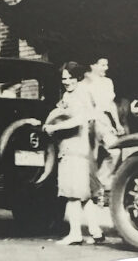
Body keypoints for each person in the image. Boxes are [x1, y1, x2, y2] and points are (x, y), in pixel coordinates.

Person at [43, 62, 108, 246]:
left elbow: (80, 119)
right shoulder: (70, 94)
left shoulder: (80, 93)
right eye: (64, 78)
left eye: (70, 77)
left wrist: (55, 127)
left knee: (72, 193)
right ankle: (96, 232)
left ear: (78, 77)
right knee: (84, 193)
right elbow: (59, 111)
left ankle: (75, 234)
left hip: (74, 148)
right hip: (78, 147)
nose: (67, 81)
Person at [82, 56, 123, 195]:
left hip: (104, 120)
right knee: (91, 157)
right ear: (93, 65)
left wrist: (116, 123)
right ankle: (91, 190)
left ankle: (100, 180)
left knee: (115, 150)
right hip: (89, 121)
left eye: (107, 65)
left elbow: (111, 104)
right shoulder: (84, 83)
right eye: (102, 65)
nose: (106, 68)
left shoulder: (108, 82)